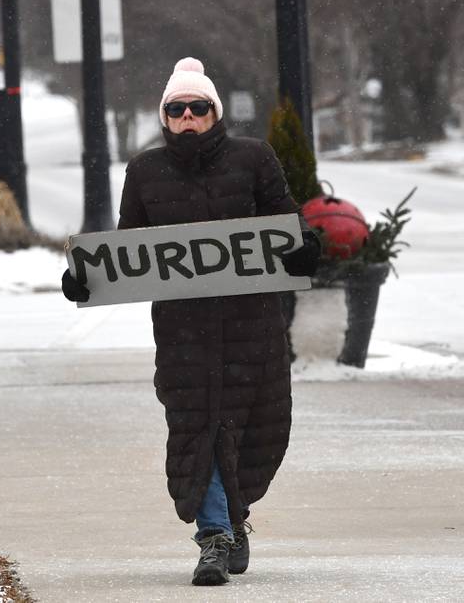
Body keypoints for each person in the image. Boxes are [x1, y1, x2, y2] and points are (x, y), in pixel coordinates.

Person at [61, 57, 321, 586]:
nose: (186, 117)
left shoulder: (254, 159)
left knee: (252, 428)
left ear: (213, 112)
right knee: (196, 428)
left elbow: (287, 219)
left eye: (197, 108)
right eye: (175, 109)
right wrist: (84, 281)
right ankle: (214, 538)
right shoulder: (145, 171)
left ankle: (234, 517)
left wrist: (304, 251)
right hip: (184, 332)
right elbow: (128, 248)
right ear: (164, 116)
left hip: (252, 327)